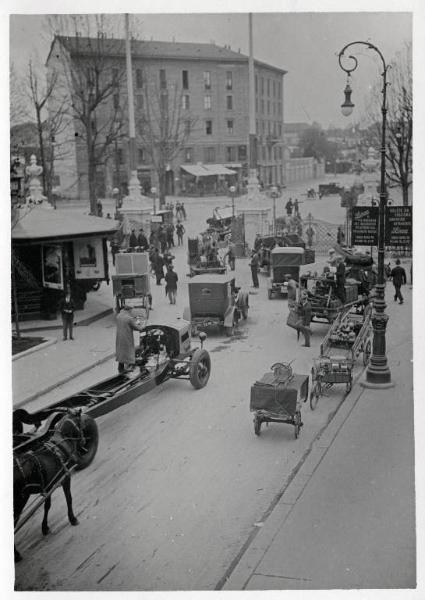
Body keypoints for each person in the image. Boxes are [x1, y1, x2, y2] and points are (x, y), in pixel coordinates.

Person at [115, 305, 146, 373]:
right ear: (129, 310)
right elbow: (137, 328)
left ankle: (120, 368)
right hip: (127, 337)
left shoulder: (119, 316)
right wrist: (142, 325)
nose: (131, 312)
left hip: (119, 337)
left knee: (121, 352)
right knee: (129, 351)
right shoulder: (129, 318)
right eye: (131, 311)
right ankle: (131, 367)